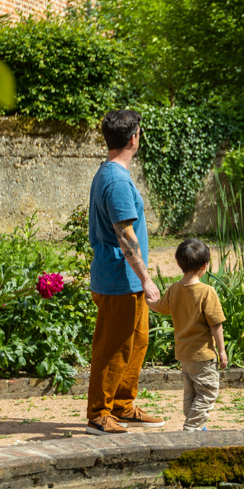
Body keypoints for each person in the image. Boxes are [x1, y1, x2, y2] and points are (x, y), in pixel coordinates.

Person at [84, 109, 165, 435]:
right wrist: (147, 278)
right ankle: (98, 414)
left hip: (126, 280)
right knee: (113, 349)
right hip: (119, 279)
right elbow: (125, 235)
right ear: (134, 138)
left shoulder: (112, 173)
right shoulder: (116, 180)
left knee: (136, 343)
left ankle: (122, 405)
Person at [150, 239, 228, 431]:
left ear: (179, 264)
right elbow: (215, 324)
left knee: (191, 392)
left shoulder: (174, 289)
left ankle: (197, 426)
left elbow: (161, 307)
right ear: (205, 265)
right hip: (202, 355)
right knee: (207, 393)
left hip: (184, 354)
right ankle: (191, 429)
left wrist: (149, 300)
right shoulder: (207, 292)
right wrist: (222, 351)